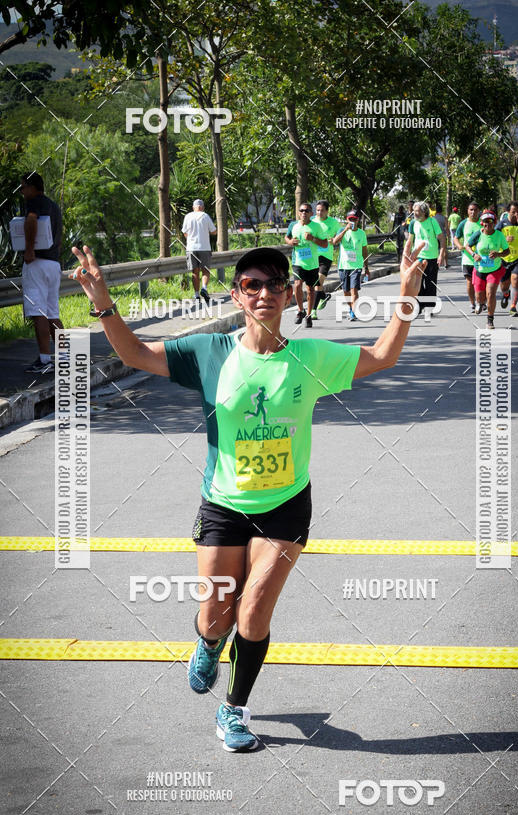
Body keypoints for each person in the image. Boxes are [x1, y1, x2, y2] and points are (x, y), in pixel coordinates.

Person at [69, 241, 427, 752]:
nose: (264, 293)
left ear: (290, 293)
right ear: (237, 296)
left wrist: (407, 297)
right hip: (223, 504)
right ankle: (209, 643)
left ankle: (233, 709)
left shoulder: (309, 357)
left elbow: (383, 355)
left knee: (254, 608)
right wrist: (103, 301)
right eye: (252, 285)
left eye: (275, 284)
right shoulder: (208, 354)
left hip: (285, 505)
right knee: (216, 614)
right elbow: (133, 353)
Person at [20, 172, 64, 374]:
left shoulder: (34, 202)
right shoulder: (53, 206)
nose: (21, 191)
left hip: (36, 261)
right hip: (53, 263)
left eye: (23, 187)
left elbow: (31, 220)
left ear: (33, 187)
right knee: (52, 313)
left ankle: (45, 360)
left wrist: (29, 249)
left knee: (39, 313)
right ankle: (65, 357)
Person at [284, 203, 328, 327]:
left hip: (312, 264)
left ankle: (308, 315)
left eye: (307, 211)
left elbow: (325, 244)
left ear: (311, 213)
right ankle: (300, 310)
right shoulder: (293, 225)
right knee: (297, 285)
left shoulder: (316, 227)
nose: (304, 213)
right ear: (298, 213)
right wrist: (290, 241)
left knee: (310, 290)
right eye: (301, 210)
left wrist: (312, 239)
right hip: (298, 262)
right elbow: (286, 237)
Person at [466, 209, 510, 330]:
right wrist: (474, 255)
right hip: (480, 269)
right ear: (482, 223)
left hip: (494, 269)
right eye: (485, 221)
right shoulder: (478, 234)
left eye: (490, 221)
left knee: (491, 293)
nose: (488, 224)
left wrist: (498, 254)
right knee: (479, 296)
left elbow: (507, 251)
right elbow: (467, 246)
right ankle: (480, 303)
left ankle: (490, 320)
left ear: (494, 222)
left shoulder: (499, 235)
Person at [331, 210, 369, 321]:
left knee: (354, 290)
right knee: (346, 291)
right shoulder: (342, 230)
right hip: (343, 266)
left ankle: (353, 311)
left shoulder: (361, 233)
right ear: (347, 220)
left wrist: (366, 267)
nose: (352, 221)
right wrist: (345, 230)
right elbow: (334, 242)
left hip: (356, 266)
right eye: (350, 219)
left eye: (354, 219)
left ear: (358, 220)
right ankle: (351, 308)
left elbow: (364, 250)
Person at [497, 202, 518, 317]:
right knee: (504, 285)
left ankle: (513, 306)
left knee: (516, 279)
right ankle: (506, 294)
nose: (516, 214)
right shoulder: (501, 224)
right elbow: (493, 239)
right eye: (513, 212)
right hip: (504, 258)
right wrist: (504, 239)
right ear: (508, 212)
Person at [404, 201, 445, 297]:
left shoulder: (432, 221)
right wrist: (407, 256)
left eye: (417, 211)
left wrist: (441, 255)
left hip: (432, 258)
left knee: (431, 284)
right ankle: (419, 306)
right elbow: (410, 241)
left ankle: (428, 307)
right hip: (418, 258)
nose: (414, 213)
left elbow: (442, 239)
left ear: (424, 211)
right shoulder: (413, 223)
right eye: (414, 211)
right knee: (417, 284)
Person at [181, 199, 217, 303]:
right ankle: (204, 288)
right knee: (205, 271)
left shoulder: (188, 216)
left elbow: (184, 232)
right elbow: (213, 231)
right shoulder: (205, 216)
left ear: (193, 207)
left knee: (194, 272)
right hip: (204, 248)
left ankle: (196, 295)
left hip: (191, 248)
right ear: (202, 207)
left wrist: (191, 236)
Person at [311, 200, 340, 316]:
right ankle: (323, 296)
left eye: (322, 210)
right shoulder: (312, 221)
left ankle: (313, 311)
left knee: (318, 282)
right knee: (315, 284)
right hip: (312, 256)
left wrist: (334, 240)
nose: (319, 212)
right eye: (317, 210)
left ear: (327, 211)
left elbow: (339, 236)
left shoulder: (333, 223)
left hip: (326, 257)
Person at [454, 201, 481, 312]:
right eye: (471, 210)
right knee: (470, 282)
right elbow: (456, 237)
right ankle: (472, 304)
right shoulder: (463, 223)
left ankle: (481, 301)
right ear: (467, 211)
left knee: (479, 282)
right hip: (467, 258)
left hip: (481, 259)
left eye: (475, 210)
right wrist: (459, 245)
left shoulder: (483, 223)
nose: (473, 212)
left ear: (478, 211)